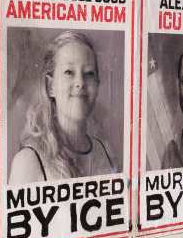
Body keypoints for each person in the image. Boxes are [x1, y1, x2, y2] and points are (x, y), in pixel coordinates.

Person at [9, 31, 115, 185]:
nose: (80, 82)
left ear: (97, 84)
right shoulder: (28, 162)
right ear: (51, 86)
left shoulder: (102, 151)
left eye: (89, 73)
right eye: (69, 72)